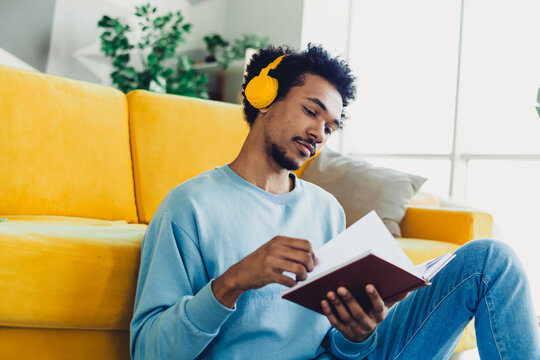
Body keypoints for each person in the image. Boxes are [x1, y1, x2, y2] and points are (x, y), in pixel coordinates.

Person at [130, 44, 540, 359]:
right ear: (264, 97)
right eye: (312, 112)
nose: (320, 134)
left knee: (491, 261)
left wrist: (357, 334)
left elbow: (338, 347)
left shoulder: (326, 209)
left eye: (330, 127)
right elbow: (147, 350)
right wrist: (232, 282)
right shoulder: (189, 207)